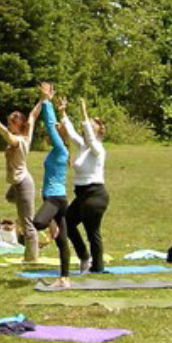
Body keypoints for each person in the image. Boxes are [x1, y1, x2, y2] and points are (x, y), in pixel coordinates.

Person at [0, 91, 44, 262]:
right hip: (16, 183)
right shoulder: (27, 133)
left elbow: (5, 135)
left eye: (11, 123)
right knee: (10, 198)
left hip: (23, 183)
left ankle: (31, 258)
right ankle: (28, 207)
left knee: (28, 224)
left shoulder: (18, 140)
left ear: (18, 125)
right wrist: (42, 99)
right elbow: (33, 115)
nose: (9, 126)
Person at [60, 96, 108, 274]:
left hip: (95, 195)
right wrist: (62, 112)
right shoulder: (83, 146)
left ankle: (98, 267)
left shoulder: (97, 149)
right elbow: (72, 133)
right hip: (82, 195)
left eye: (91, 124)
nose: (86, 125)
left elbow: (88, 133)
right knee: (67, 223)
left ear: (98, 131)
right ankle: (84, 257)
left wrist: (84, 110)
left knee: (92, 232)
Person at [29, 82, 71, 287]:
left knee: (37, 223)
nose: (55, 129)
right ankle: (64, 278)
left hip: (54, 199)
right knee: (62, 240)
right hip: (57, 198)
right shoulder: (60, 151)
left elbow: (50, 122)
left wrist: (46, 101)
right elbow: (54, 124)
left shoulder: (61, 148)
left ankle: (49, 232)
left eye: (58, 129)